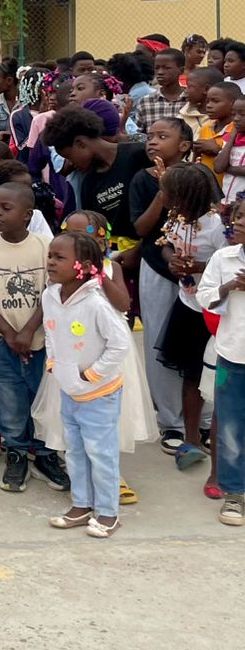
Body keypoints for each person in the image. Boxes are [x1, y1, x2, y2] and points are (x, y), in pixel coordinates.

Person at [0, 181, 69, 495]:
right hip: (1, 341)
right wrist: (10, 333)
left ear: (28, 215)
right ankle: (16, 452)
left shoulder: (43, 246)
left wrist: (28, 331)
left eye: (5, 208)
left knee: (43, 397)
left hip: (42, 340)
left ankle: (45, 454)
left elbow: (53, 290)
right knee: (8, 399)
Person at [41, 231, 130, 537]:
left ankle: (108, 512)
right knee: (75, 451)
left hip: (99, 393)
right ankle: (81, 504)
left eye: (59, 257)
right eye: (50, 255)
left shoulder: (96, 303)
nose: (51, 262)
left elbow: (120, 344)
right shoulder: (50, 296)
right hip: (69, 390)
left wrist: (92, 374)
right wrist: (53, 362)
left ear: (85, 266)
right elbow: (51, 332)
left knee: (101, 453)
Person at [131, 117, 196, 453]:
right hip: (156, 266)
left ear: (184, 146)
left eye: (162, 136)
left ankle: (202, 419)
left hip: (194, 269)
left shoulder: (198, 176)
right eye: (150, 136)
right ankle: (171, 421)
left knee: (196, 343)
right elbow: (142, 229)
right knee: (158, 339)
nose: (152, 141)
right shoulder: (142, 179)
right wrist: (162, 192)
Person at [155, 161, 224, 473]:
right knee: (190, 376)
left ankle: (219, 437)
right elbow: (167, 246)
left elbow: (229, 263)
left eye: (166, 192)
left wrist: (198, 267)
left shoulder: (216, 227)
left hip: (213, 314)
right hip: (188, 306)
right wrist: (172, 260)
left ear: (183, 197)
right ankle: (191, 439)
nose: (162, 197)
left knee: (215, 376)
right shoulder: (177, 218)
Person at [197, 198, 245, 526]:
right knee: (230, 426)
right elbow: (205, 296)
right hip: (233, 355)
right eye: (238, 216)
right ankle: (234, 493)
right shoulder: (223, 258)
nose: (238, 222)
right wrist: (228, 287)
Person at [46, 107, 148, 251]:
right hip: (115, 256)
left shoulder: (139, 156)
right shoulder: (88, 182)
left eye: (69, 157)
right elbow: (94, 227)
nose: (71, 163)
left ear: (80, 144)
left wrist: (136, 250)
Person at [132, 47, 189, 131]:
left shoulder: (190, 100)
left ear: (181, 70)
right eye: (157, 68)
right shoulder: (145, 102)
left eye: (167, 68)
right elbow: (139, 134)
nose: (160, 72)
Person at [194, 81, 237, 172]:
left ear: (233, 104)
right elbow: (197, 159)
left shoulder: (237, 130)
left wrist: (218, 150)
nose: (209, 106)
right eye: (207, 101)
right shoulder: (205, 128)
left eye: (216, 101)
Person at [213, 93, 245, 209]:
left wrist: (228, 168)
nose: (236, 118)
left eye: (243, 114)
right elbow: (218, 167)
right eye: (233, 114)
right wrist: (231, 138)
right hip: (226, 202)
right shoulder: (231, 139)